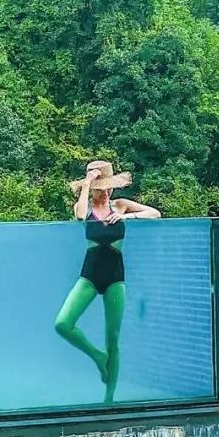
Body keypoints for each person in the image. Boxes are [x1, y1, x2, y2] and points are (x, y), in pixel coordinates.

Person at [54, 160, 161, 404]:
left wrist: (127, 218)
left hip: (115, 276)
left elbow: (155, 213)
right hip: (90, 274)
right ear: (92, 189)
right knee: (62, 323)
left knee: (112, 337)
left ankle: (109, 397)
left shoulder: (120, 206)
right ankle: (97, 356)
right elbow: (81, 216)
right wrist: (88, 183)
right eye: (100, 188)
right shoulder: (85, 206)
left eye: (108, 187)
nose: (105, 192)